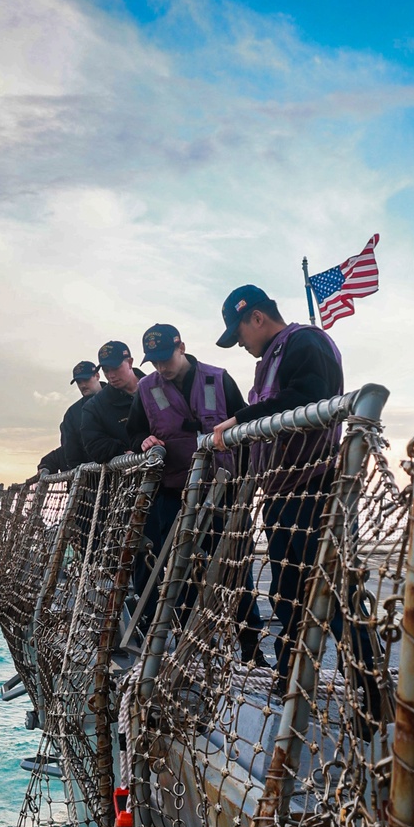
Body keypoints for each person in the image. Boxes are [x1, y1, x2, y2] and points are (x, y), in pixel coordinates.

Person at [211, 285, 345, 688]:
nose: (241, 345)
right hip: (280, 494)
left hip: (313, 488)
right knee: (286, 593)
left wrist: (242, 418)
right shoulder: (269, 360)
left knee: (333, 593)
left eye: (239, 335)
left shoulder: (306, 342)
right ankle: (291, 677)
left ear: (256, 317)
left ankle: (368, 690)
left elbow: (309, 396)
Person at [125, 324, 264, 659]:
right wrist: (142, 442)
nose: (161, 367)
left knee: (234, 567)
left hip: (223, 489)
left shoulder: (219, 377)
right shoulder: (145, 389)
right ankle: (190, 645)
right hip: (174, 492)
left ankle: (251, 648)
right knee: (178, 567)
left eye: (165, 358)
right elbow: (134, 433)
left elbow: (243, 427)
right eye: (154, 362)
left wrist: (246, 485)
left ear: (181, 347)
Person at [79, 342, 144, 464]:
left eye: (115, 368)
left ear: (130, 362)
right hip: (130, 478)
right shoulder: (94, 407)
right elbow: (94, 445)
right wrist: (124, 453)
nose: (111, 375)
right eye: (106, 370)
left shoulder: (157, 386)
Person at [38, 362, 101, 475]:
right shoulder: (72, 414)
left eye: (86, 379)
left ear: (97, 376)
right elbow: (69, 451)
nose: (82, 385)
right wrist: (47, 464)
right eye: (78, 382)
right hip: (90, 482)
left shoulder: (118, 396)